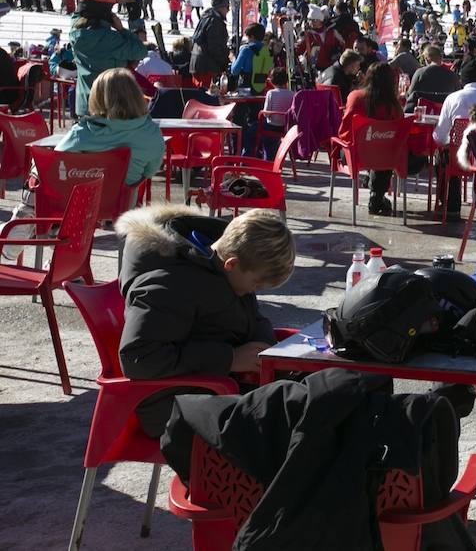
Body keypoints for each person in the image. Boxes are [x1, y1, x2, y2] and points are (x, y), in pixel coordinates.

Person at [118, 205, 296, 436]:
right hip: (174, 405)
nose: (254, 291)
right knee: (292, 427)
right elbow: (139, 357)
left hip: (214, 388)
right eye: (256, 285)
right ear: (231, 263)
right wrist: (230, 359)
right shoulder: (169, 284)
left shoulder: (226, 270)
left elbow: (253, 316)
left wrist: (262, 348)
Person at [56, 68, 165, 187]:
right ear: (136, 95)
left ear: (96, 97)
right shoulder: (152, 133)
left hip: (85, 202)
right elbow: (149, 172)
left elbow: (54, 161)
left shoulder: (81, 134)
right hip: (126, 203)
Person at [338, 62, 405, 216]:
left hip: (355, 155)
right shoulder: (394, 106)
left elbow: (344, 132)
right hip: (384, 158)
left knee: (377, 148)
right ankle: (377, 195)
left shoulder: (355, 97)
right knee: (386, 149)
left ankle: (376, 193)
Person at [70, 0, 147, 117]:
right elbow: (141, 50)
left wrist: (113, 0)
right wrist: (121, 30)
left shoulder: (74, 34)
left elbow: (80, 10)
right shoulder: (113, 39)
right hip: (111, 107)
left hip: (85, 106)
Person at [188, 0, 231, 88]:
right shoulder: (215, 22)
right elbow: (214, 46)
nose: (228, 11)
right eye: (227, 7)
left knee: (199, 95)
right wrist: (224, 61)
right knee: (207, 97)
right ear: (220, 7)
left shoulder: (206, 18)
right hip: (207, 67)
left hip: (198, 64)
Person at [405, 44, 458, 111]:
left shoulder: (420, 73)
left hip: (423, 114)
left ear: (426, 59)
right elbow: (457, 96)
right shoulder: (452, 76)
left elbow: (410, 95)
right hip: (445, 114)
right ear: (441, 58)